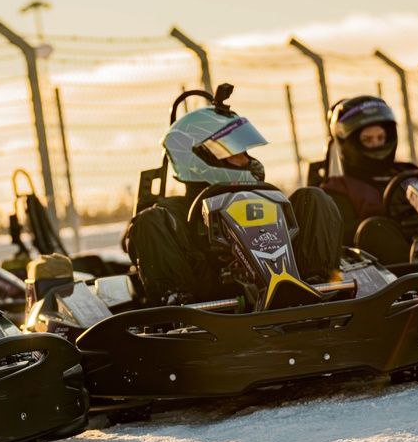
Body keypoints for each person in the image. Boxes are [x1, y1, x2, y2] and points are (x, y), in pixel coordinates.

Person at [122, 93, 342, 303]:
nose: (247, 160)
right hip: (210, 304)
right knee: (149, 220)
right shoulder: (170, 216)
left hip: (291, 284)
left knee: (313, 197)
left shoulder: (269, 198)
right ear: (199, 157)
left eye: (245, 151)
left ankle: (320, 285)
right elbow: (136, 242)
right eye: (235, 152)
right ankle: (178, 303)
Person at [319, 96, 418, 244]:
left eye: (381, 138)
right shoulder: (337, 190)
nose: (376, 144)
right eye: (367, 139)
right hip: (389, 263)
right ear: (349, 142)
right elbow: (344, 236)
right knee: (374, 229)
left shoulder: (410, 173)